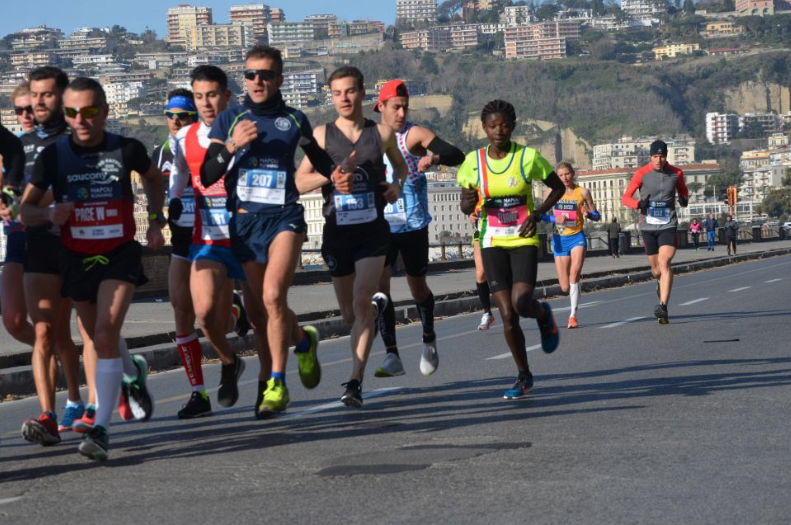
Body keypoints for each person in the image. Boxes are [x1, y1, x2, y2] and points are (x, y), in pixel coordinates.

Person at [21, 77, 163, 460]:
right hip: (77, 259)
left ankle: (100, 428)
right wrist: (50, 212)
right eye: (71, 113)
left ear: (104, 111)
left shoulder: (126, 149)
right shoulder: (54, 157)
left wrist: (154, 219)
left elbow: (154, 178)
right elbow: (26, 210)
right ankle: (128, 369)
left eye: (89, 111)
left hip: (119, 253)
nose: (80, 120)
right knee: (97, 337)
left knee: (103, 333)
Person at [201, 45, 321, 418]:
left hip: (284, 217)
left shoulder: (295, 119)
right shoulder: (229, 119)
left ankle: (277, 384)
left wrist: (341, 176)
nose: (256, 81)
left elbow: (324, 162)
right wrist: (234, 145)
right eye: (250, 74)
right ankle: (303, 342)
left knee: (272, 297)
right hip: (244, 223)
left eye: (265, 75)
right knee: (259, 313)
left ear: (279, 80)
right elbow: (208, 175)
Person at [296, 66, 407, 408]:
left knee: (360, 303)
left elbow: (401, 167)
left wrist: (396, 186)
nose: (343, 98)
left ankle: (355, 381)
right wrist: (330, 177)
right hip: (337, 234)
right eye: (336, 93)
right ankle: (372, 309)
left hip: (372, 232)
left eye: (349, 91)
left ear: (361, 94)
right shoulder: (321, 136)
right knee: (348, 314)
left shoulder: (382, 133)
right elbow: (298, 183)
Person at [458, 100, 565, 400]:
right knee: (506, 314)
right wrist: (468, 200)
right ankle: (524, 376)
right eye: (492, 126)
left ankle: (542, 313)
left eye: (504, 125)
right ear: (484, 128)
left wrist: (538, 212)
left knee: (520, 302)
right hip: (491, 240)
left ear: (513, 126)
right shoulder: (474, 162)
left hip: (522, 239)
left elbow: (556, 187)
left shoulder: (528, 158)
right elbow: (466, 204)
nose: (498, 131)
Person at [168, 65, 252, 418]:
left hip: (247, 235)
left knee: (266, 314)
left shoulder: (247, 128)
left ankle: (273, 381)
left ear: (226, 97)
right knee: (195, 312)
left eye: (210, 96)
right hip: (202, 237)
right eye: (198, 97)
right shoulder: (182, 140)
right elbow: (178, 175)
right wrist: (169, 204)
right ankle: (215, 376)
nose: (204, 104)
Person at [372, 79, 465, 378]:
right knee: (380, 290)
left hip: (412, 225)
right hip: (382, 225)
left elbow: (456, 155)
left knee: (417, 287)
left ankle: (428, 338)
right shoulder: (369, 137)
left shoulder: (414, 134)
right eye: (395, 107)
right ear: (381, 107)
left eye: (405, 107)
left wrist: (434, 158)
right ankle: (391, 355)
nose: (401, 113)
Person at [19, 67, 87, 442]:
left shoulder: (77, 139)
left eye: (46, 94)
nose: (39, 101)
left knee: (73, 333)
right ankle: (47, 414)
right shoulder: (23, 143)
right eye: (35, 94)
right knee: (43, 330)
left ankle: (77, 399)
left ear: (62, 98)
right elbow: (13, 191)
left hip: (77, 246)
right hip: (38, 245)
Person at [622, 139, 689, 324]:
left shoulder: (676, 173)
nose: (658, 160)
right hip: (648, 226)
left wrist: (684, 199)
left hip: (668, 224)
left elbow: (684, 191)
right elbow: (625, 197)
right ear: (650, 157)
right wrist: (638, 204)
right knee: (656, 270)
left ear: (666, 156)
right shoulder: (641, 174)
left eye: (662, 156)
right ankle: (660, 284)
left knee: (665, 261)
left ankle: (663, 306)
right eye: (655, 156)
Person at [540, 161, 599, 329]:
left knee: (574, 275)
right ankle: (574, 294)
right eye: (560, 175)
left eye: (567, 174)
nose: (564, 178)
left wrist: (588, 214)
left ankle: (573, 316)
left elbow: (597, 216)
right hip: (559, 238)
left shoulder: (583, 192)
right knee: (565, 286)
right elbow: (541, 215)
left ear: (573, 174)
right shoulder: (552, 191)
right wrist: (554, 219)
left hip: (577, 237)